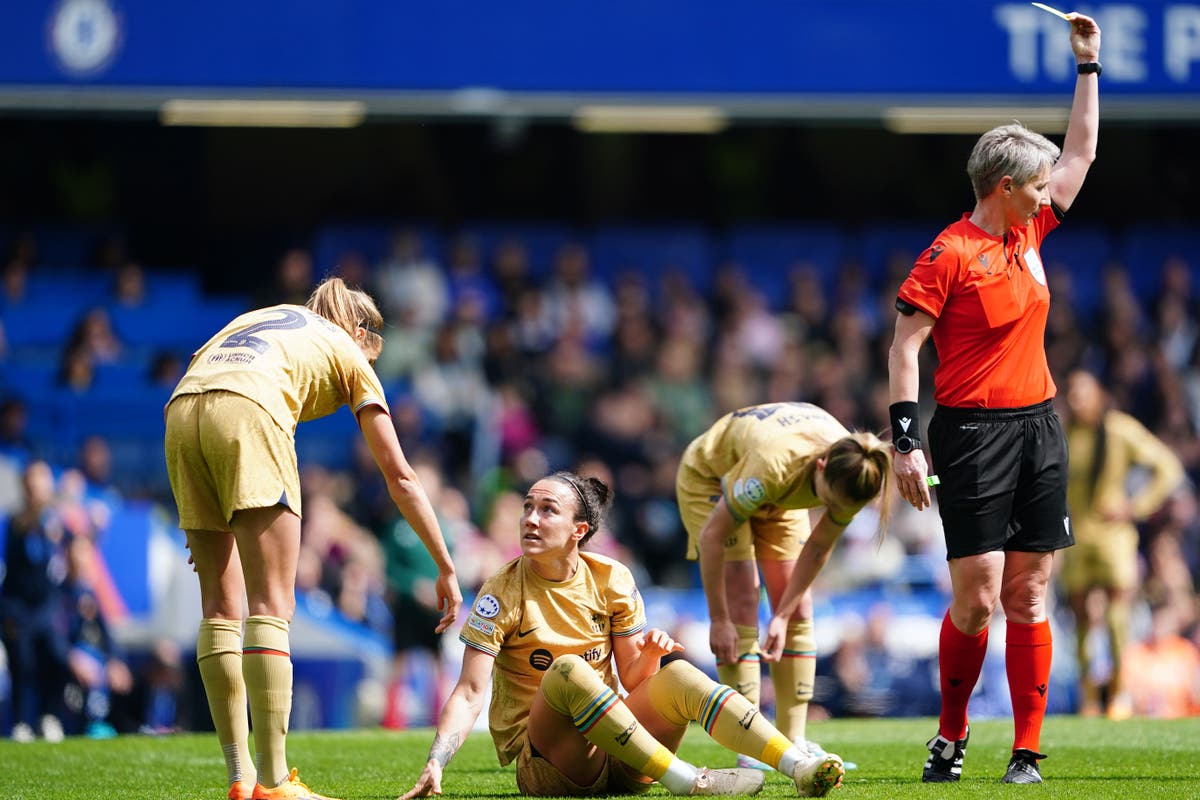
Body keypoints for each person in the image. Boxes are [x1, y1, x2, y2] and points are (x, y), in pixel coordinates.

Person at [886, 13, 1102, 785]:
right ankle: (951, 735)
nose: (1052, 193)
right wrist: (905, 441)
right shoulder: (950, 254)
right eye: (1038, 185)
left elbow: (1079, 153)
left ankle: (1027, 751)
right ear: (1005, 188)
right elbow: (905, 347)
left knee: (1032, 587)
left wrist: (1086, 67)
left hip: (1040, 426)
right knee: (977, 601)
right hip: (973, 434)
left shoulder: (1028, 230)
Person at [164, 277, 462, 800]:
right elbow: (401, 477)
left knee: (219, 606)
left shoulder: (270, 315)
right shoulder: (347, 347)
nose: (371, 366)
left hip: (184, 405)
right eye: (375, 354)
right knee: (272, 604)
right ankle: (275, 783)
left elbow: (202, 361)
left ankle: (240, 778)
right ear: (361, 331)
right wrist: (446, 564)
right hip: (251, 408)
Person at [396, 472, 845, 800]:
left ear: (579, 531)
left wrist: (649, 658)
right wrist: (437, 758)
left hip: (624, 758)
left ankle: (799, 766)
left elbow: (632, 678)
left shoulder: (612, 577)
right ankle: (690, 781)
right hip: (551, 769)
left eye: (547, 509)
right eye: (528, 507)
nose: (530, 519)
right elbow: (471, 691)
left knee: (679, 674)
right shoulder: (501, 590)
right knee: (568, 670)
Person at [675, 402, 892, 765]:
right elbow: (714, 536)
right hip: (712, 478)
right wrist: (719, 619)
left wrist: (782, 615)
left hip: (779, 486)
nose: (829, 509)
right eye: (825, 501)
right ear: (820, 465)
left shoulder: (857, 471)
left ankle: (795, 741)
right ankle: (751, 747)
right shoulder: (774, 466)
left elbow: (819, 545)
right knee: (742, 600)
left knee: (799, 608)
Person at [1060, 368, 1182, 718]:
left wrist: (1135, 507)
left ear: (1099, 394)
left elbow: (1167, 467)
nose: (1076, 399)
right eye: (1072, 393)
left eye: (1083, 392)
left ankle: (1118, 692)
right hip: (1077, 539)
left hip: (1114, 539)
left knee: (1116, 614)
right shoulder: (1064, 434)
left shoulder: (1118, 430)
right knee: (1082, 617)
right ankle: (1088, 697)